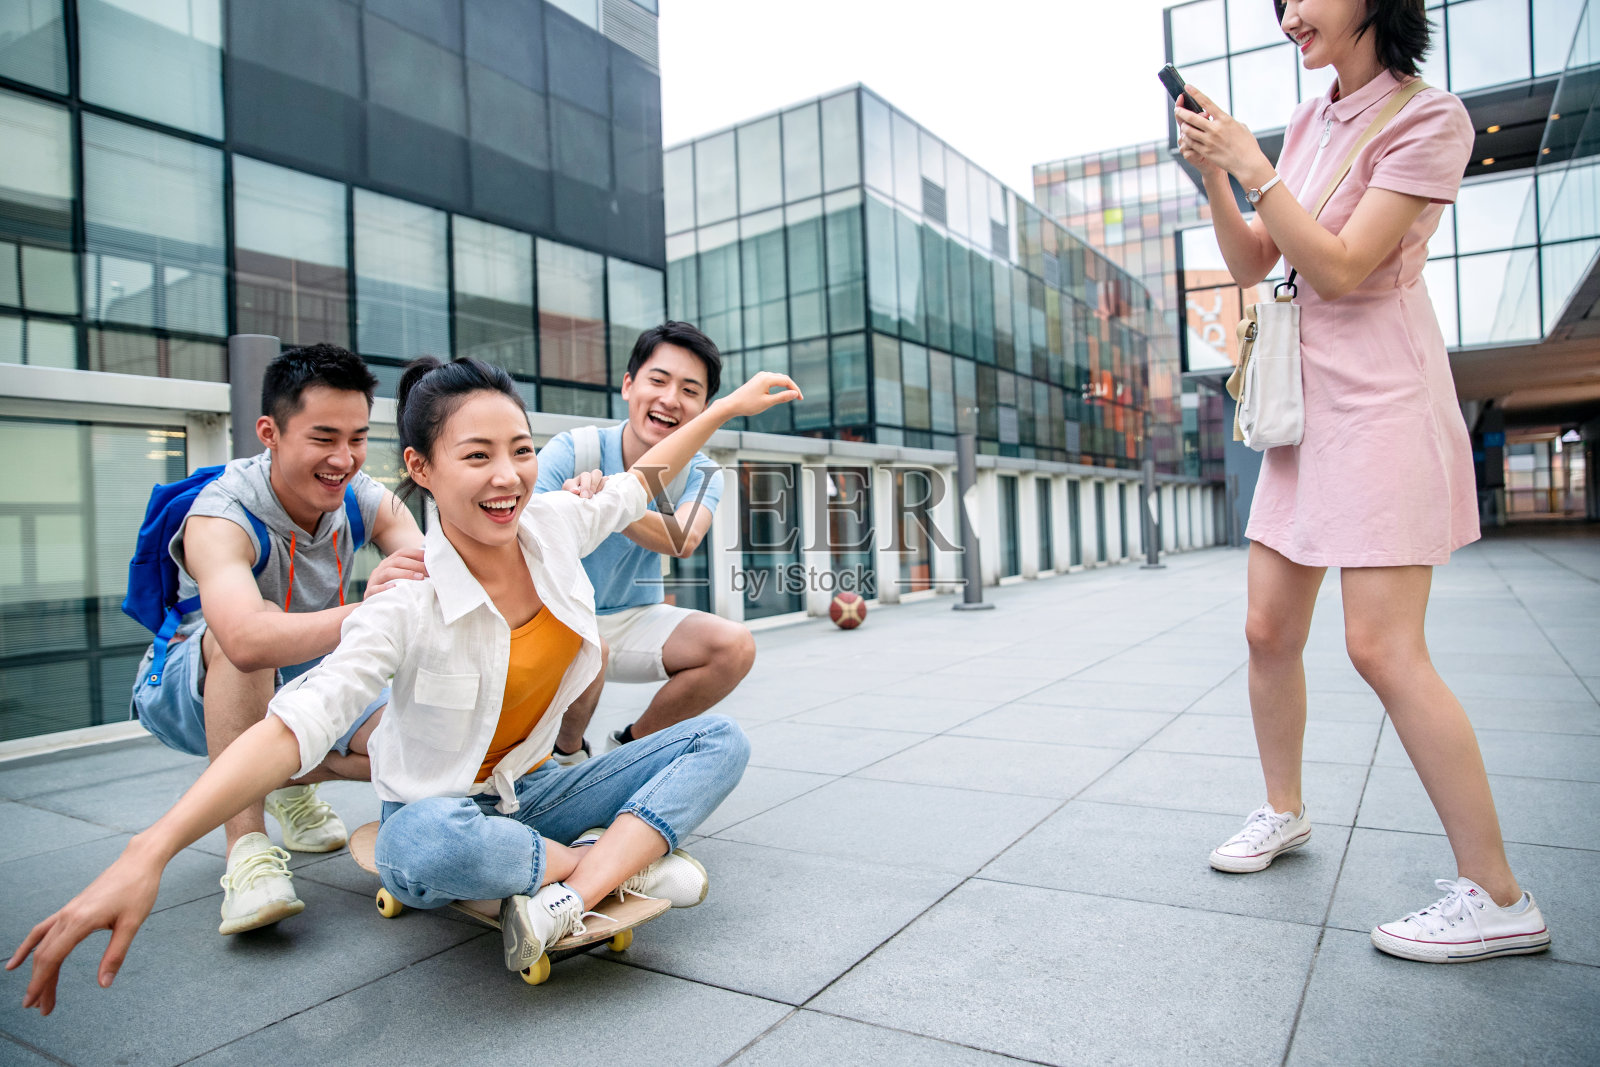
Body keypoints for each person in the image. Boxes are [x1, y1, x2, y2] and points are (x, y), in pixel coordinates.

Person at [9, 356, 800, 1015]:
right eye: (477, 454)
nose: (507, 477)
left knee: (718, 739)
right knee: (418, 843)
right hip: (442, 810)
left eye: (521, 450)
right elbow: (292, 725)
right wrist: (147, 851)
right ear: (420, 467)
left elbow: (644, 476)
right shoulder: (406, 598)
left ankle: (575, 881)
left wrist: (726, 406)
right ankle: (622, 859)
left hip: (525, 792)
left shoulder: (556, 524)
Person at [1175, 0, 1551, 962]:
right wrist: (1220, 178)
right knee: (1266, 627)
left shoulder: (1433, 118)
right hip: (1304, 407)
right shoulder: (1310, 121)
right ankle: (1283, 808)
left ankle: (1499, 893)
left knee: (1383, 648)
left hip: (1383, 402)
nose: (1290, 14)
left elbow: (1340, 268)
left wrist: (1256, 169)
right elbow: (1259, 260)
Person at [130, 342, 425, 936]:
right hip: (193, 688)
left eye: (358, 438)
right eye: (323, 438)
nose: (344, 459)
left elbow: (431, 571)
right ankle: (247, 854)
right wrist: (370, 611)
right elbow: (244, 640)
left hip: (309, 675)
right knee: (248, 638)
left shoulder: (365, 495)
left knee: (411, 748)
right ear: (270, 431)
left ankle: (276, 782)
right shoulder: (222, 515)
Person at [534, 322, 756, 762]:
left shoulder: (705, 471)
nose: (670, 399)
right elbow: (524, 531)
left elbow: (684, 538)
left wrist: (613, 497)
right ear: (628, 386)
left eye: (690, 390)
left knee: (735, 646)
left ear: (705, 408)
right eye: (658, 380)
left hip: (634, 616)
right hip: (556, 614)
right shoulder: (573, 450)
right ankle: (567, 755)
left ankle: (630, 748)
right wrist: (577, 503)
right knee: (588, 646)